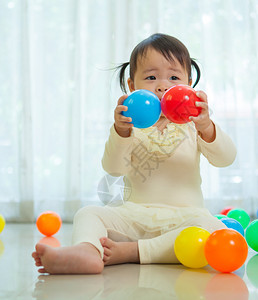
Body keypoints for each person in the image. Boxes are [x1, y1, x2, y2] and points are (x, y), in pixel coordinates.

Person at [32, 33, 236, 274]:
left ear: (188, 84)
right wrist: (121, 131)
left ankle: (133, 251)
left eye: (173, 77)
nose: (162, 85)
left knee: (209, 228)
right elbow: (113, 168)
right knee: (88, 213)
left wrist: (206, 127)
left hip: (185, 218)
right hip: (135, 216)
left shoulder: (194, 126)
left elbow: (225, 159)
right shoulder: (130, 126)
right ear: (132, 86)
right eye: (151, 77)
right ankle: (88, 251)